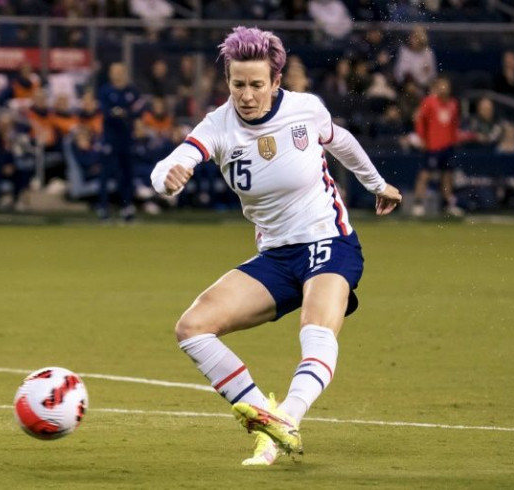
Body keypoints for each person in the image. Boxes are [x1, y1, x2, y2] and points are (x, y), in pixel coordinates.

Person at [150, 26, 402, 466]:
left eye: (256, 85)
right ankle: (266, 417)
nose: (246, 95)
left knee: (316, 328)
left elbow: (339, 140)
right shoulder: (218, 126)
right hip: (276, 256)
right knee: (191, 328)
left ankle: (287, 415)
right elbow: (176, 160)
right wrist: (166, 180)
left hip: (329, 240)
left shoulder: (305, 110)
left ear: (275, 82)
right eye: (237, 84)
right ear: (227, 81)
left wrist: (377, 184)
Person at [97, 62, 145, 221]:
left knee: (127, 175)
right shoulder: (105, 90)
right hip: (110, 138)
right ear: (110, 73)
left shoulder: (132, 91)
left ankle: (127, 207)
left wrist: (137, 127)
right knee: (106, 173)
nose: (117, 74)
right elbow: (107, 112)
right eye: (114, 71)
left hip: (127, 139)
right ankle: (104, 207)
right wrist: (121, 114)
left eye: (120, 71)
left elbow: (137, 113)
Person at [412, 76, 463, 217]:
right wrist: (421, 138)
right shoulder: (429, 102)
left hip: (448, 146)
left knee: (447, 176)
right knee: (425, 174)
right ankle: (418, 203)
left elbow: (454, 124)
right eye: (441, 85)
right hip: (432, 146)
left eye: (446, 85)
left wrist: (454, 140)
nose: (444, 88)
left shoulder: (453, 104)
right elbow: (419, 119)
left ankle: (449, 204)